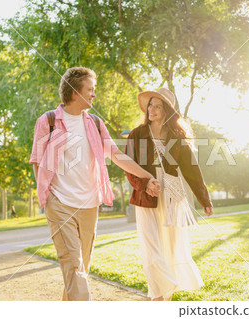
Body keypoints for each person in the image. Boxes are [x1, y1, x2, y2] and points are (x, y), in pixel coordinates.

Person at [29, 67, 160, 301]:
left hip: (89, 205)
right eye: (90, 90)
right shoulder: (48, 121)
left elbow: (118, 155)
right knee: (73, 264)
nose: (94, 95)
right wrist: (46, 195)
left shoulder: (95, 124)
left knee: (80, 269)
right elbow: (36, 161)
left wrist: (146, 177)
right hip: (59, 204)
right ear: (74, 92)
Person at [125, 87, 213, 301]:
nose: (151, 109)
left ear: (167, 111)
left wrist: (204, 199)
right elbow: (129, 167)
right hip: (146, 197)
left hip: (173, 196)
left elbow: (192, 169)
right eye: (150, 105)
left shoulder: (177, 136)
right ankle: (158, 296)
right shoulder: (136, 134)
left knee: (171, 250)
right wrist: (145, 184)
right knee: (152, 250)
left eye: (158, 106)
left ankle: (167, 300)